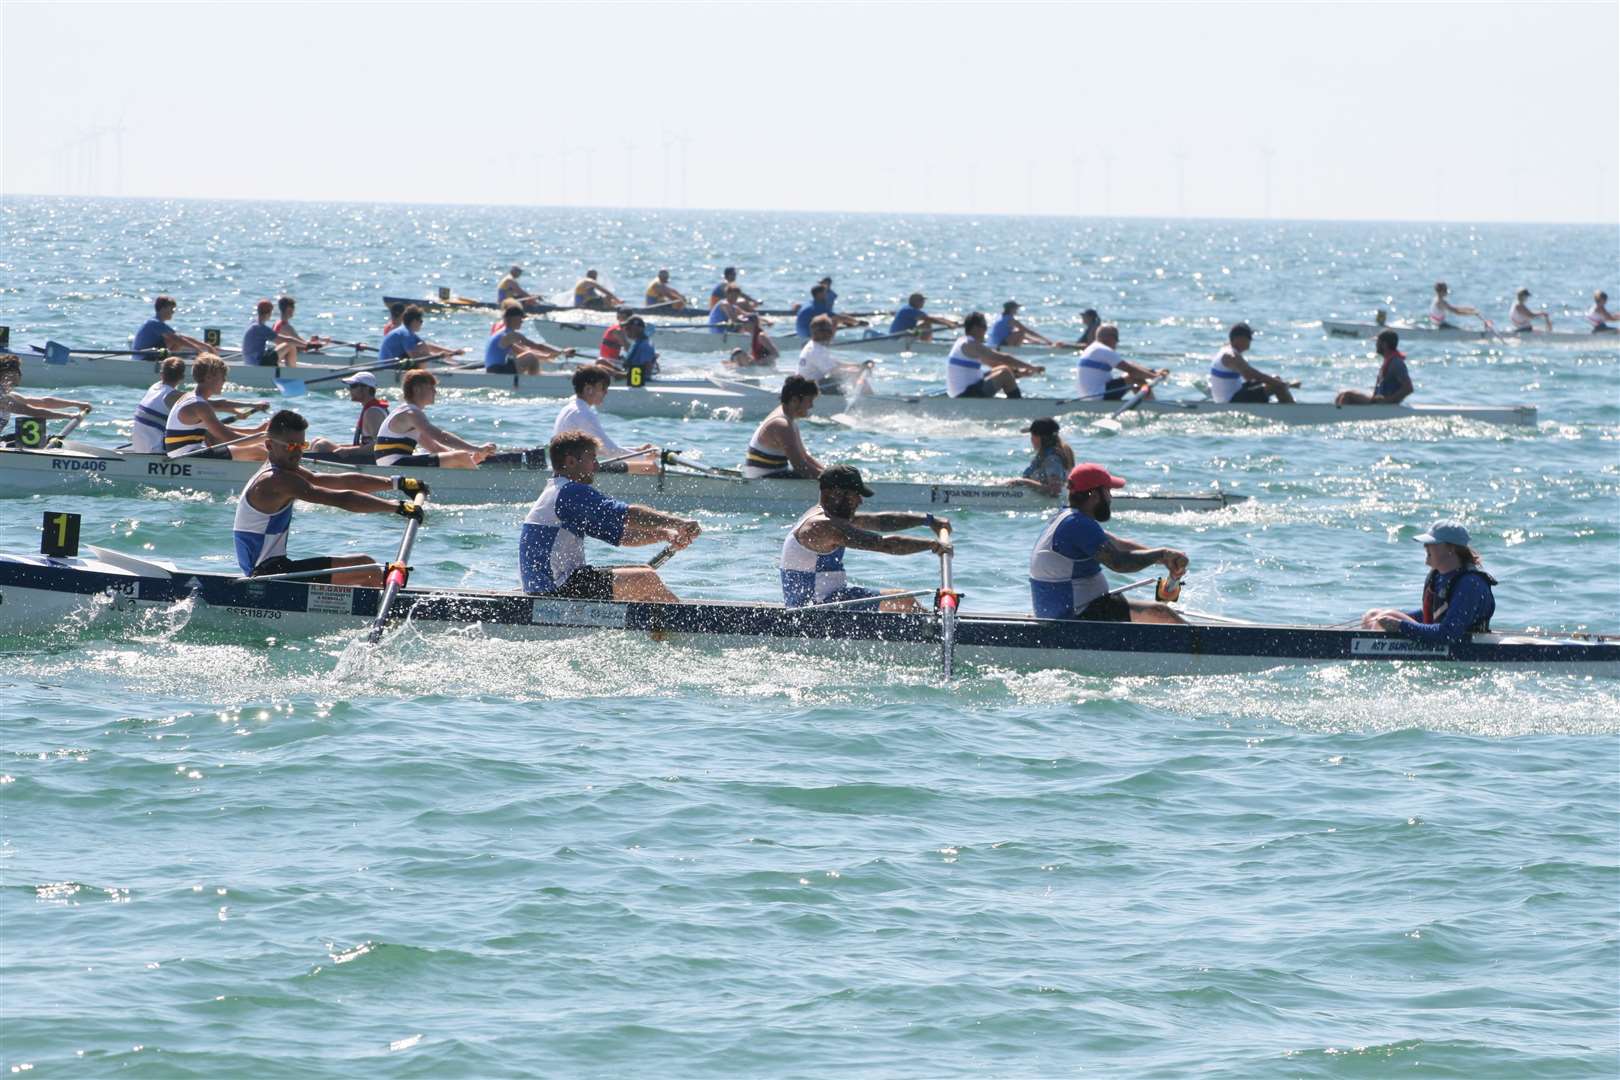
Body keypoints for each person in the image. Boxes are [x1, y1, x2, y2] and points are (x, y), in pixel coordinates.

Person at [232, 408, 428, 587]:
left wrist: (398, 483)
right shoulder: (276, 480)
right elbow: (341, 499)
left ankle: (368, 610)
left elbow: (339, 481)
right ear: (269, 445)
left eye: (302, 445)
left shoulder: (284, 470)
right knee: (367, 570)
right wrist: (397, 507)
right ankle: (379, 616)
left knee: (366, 565)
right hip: (266, 576)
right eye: (291, 446)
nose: (299, 453)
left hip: (276, 568)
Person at [519, 429, 701, 602]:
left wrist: (664, 534)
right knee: (646, 579)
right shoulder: (570, 491)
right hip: (553, 587)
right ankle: (691, 629)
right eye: (592, 458)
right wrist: (678, 522)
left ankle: (664, 630)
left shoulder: (559, 492)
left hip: (555, 583)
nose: (597, 465)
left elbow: (622, 535)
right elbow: (625, 514)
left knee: (643, 572)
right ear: (571, 461)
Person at [1028, 462, 1188, 623]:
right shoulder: (1078, 525)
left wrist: (1165, 559)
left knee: (1151, 610)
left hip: (1076, 612)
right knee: (1161, 612)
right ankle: (1202, 645)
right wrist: (1161, 554)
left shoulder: (1068, 518)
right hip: (1073, 619)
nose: (1110, 497)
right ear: (1094, 495)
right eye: (1108, 491)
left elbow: (1119, 544)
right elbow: (1119, 563)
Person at [779, 464, 951, 613]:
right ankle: (932, 632)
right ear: (835, 493)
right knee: (904, 600)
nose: (860, 501)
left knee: (904, 601)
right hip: (813, 611)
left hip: (831, 600)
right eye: (856, 494)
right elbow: (884, 545)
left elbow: (880, 521)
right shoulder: (822, 526)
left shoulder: (831, 518)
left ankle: (929, 628)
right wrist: (934, 545)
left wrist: (929, 520)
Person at [1360, 520, 1497, 644]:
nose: (1425, 546)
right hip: (1440, 638)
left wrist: (1400, 625)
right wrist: (1396, 619)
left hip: (1465, 647)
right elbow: (1433, 613)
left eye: (1432, 543)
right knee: (1373, 615)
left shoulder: (1470, 584)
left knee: (1386, 616)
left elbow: (1448, 634)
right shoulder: (1437, 576)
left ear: (1451, 549)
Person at [372, 369, 495, 469]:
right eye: (431, 387)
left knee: (461, 457)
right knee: (461, 456)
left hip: (393, 465)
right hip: (393, 466)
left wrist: (473, 457)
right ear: (417, 389)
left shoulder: (410, 414)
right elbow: (441, 436)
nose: (435, 391)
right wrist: (476, 448)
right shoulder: (411, 413)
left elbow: (435, 448)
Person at [551, 367, 658, 473]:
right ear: (588, 389)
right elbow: (611, 451)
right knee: (651, 466)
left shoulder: (569, 408)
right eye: (603, 388)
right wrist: (645, 458)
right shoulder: (584, 413)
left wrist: (637, 451)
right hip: (576, 471)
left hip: (566, 468)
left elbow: (603, 448)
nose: (606, 392)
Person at [164, 355, 269, 460]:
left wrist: (259, 434)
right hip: (186, 457)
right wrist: (268, 437)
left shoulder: (191, 398)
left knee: (256, 446)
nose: (224, 380)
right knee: (259, 450)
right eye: (222, 376)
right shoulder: (199, 405)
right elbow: (229, 437)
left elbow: (220, 405)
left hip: (184, 454)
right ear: (209, 377)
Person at [946, 312, 1046, 399]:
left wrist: (1019, 373)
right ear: (975, 328)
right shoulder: (969, 344)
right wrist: (1032, 367)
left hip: (968, 390)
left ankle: (1015, 402)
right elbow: (1003, 358)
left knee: (1003, 368)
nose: (986, 330)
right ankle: (1018, 407)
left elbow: (995, 364)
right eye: (984, 326)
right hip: (965, 395)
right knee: (1005, 373)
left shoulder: (963, 341)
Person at [0, 353, 92, 446]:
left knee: (43, 439)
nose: (12, 386)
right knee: (40, 441)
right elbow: (31, 411)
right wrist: (69, 416)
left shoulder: (10, 395)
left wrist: (77, 404)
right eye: (11, 383)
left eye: (14, 384)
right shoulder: (2, 399)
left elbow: (43, 402)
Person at [742, 375, 823, 479]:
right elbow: (800, 467)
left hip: (773, 478)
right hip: (764, 482)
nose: (811, 406)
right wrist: (832, 482)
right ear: (794, 400)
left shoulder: (787, 419)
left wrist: (828, 473)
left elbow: (805, 458)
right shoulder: (781, 425)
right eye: (809, 400)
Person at [307, 371, 390, 463]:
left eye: (353, 386)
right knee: (317, 441)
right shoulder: (371, 408)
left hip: (371, 461)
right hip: (366, 456)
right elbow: (365, 444)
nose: (350, 390)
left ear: (366, 389)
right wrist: (343, 447)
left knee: (321, 445)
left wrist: (348, 450)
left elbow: (378, 445)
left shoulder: (373, 412)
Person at [1208, 322, 1294, 404]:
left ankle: (1285, 408)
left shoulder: (1226, 349)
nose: (1251, 340)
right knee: (1276, 386)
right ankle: (1293, 413)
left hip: (1233, 395)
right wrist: (1280, 384)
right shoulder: (1231, 356)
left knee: (1276, 379)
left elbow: (1251, 375)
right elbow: (1249, 376)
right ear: (1239, 338)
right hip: (1231, 401)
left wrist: (1276, 381)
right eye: (1249, 337)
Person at [1076, 325, 1167, 401]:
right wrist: (1154, 377)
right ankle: (1151, 405)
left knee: (1129, 375)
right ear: (1111, 338)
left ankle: (1146, 403)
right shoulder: (1104, 350)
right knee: (1133, 377)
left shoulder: (1093, 348)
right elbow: (1132, 370)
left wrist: (1154, 372)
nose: (1117, 342)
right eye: (1117, 338)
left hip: (1089, 396)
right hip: (1098, 396)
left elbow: (1131, 365)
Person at [485, 302, 576, 374]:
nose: (522, 322)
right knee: (531, 358)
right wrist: (562, 351)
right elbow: (536, 346)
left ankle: (534, 377)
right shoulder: (510, 335)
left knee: (528, 356)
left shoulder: (502, 334)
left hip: (493, 370)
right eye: (521, 319)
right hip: (498, 371)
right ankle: (535, 381)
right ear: (515, 319)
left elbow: (523, 351)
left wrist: (549, 356)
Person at [1335, 329, 1413, 406]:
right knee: (1341, 395)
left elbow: (1408, 388)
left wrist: (1388, 401)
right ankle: (1338, 413)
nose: (1376, 344)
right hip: (1378, 402)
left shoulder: (1396, 363)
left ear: (1384, 344)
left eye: (1377, 342)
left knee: (1347, 396)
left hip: (1386, 405)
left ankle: (1339, 415)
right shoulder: (1389, 360)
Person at [797, 314, 870, 393]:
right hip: (809, 390)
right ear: (827, 333)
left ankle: (864, 397)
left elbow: (835, 364)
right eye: (832, 330)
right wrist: (856, 371)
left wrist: (858, 365)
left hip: (810, 385)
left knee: (854, 372)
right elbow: (834, 371)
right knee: (854, 374)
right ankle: (868, 398)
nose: (833, 333)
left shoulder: (815, 345)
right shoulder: (816, 350)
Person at [131, 357, 189, 454]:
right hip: (155, 453)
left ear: (161, 374)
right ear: (182, 377)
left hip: (139, 448)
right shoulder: (173, 397)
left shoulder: (154, 387)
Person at [1006, 417, 1075, 498]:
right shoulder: (1057, 452)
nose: (1031, 439)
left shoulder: (1052, 459)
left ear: (1041, 437)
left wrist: (1024, 482)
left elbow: (1055, 490)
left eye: (1032, 435)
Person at [378, 305, 465, 366]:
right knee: (422, 352)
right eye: (421, 321)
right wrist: (438, 356)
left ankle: (449, 364)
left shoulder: (407, 331)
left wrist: (452, 352)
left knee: (422, 345)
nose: (421, 323)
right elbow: (415, 357)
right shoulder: (405, 334)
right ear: (414, 321)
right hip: (389, 367)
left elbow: (427, 346)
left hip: (395, 362)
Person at [133, 296, 213, 358]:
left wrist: (205, 345)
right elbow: (177, 339)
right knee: (175, 341)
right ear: (163, 308)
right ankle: (171, 364)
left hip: (147, 354)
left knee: (176, 340)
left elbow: (180, 336)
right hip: (143, 356)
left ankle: (171, 361)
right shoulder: (155, 323)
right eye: (171, 309)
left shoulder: (156, 322)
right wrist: (198, 350)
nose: (173, 312)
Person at [270, 296, 328, 366]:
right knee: (321, 354)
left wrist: (312, 341)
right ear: (289, 309)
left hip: (282, 354)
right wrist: (321, 343)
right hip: (288, 355)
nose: (294, 311)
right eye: (293, 308)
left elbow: (300, 343)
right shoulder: (287, 327)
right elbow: (304, 345)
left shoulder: (276, 324)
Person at [888, 293, 959, 341]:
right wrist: (948, 324)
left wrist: (951, 322)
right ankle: (926, 344)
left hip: (899, 335)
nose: (923, 302)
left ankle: (925, 341)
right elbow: (930, 319)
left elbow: (933, 318)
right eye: (922, 301)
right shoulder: (910, 310)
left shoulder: (908, 308)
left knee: (925, 324)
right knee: (927, 324)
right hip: (898, 338)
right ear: (916, 302)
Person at [989, 301, 1055, 348]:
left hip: (995, 343)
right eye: (1016, 308)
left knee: (1018, 332)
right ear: (1011, 309)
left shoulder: (1002, 317)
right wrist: (1047, 341)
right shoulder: (1010, 320)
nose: (1017, 310)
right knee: (1022, 332)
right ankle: (1015, 349)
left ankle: (1033, 343)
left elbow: (1014, 334)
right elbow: (1027, 331)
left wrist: (1036, 341)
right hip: (1000, 345)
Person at [242, 300, 282, 366]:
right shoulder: (260, 327)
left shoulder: (252, 323)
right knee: (289, 345)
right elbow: (283, 340)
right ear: (269, 313)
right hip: (258, 363)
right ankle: (292, 373)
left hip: (248, 362)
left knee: (274, 349)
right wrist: (304, 345)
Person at [621, 317, 658, 383]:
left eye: (628, 328)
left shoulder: (645, 345)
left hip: (636, 381)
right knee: (602, 362)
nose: (625, 331)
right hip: (631, 373)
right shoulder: (637, 342)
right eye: (625, 329)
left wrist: (625, 376)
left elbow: (647, 369)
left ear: (638, 329)